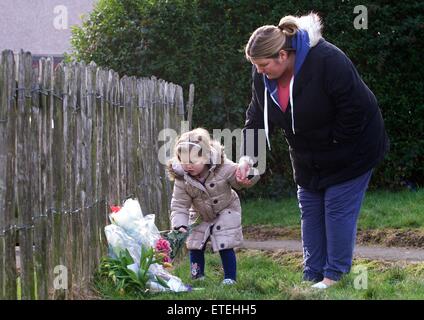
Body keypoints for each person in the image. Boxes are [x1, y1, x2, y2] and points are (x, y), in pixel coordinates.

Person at [239, 13, 389, 289]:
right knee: (310, 209)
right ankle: (312, 275)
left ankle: (334, 277)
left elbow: (354, 109)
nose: (259, 71)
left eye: (263, 65)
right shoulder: (263, 75)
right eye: (256, 66)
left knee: (336, 209)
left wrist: (333, 146)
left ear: (283, 55)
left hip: (353, 149)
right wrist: (249, 157)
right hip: (308, 155)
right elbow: (256, 114)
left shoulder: (328, 61)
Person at [167, 128, 258, 285]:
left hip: (226, 209)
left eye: (193, 161)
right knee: (194, 243)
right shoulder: (183, 179)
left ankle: (229, 278)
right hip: (200, 213)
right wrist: (180, 225)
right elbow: (179, 205)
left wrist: (248, 175)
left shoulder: (223, 167)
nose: (188, 166)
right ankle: (197, 276)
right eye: (184, 161)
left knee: (224, 242)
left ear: (206, 156)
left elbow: (238, 177)